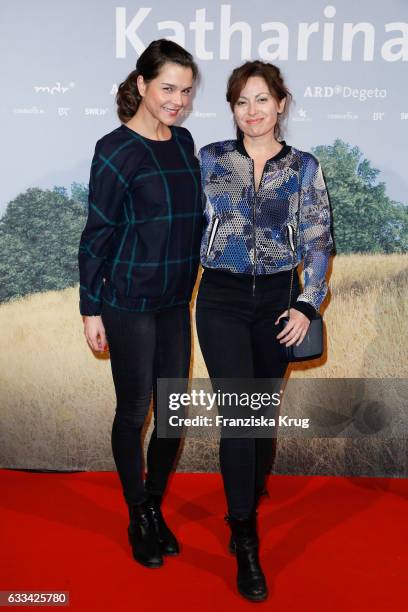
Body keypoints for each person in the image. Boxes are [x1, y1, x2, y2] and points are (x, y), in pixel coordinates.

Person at [196, 60, 333, 601]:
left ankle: (250, 493)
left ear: (281, 103)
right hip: (221, 300)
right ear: (232, 109)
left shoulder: (303, 167)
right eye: (240, 102)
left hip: (279, 301)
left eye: (261, 100)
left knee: (260, 414)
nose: (251, 112)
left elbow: (319, 240)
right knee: (239, 414)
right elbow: (180, 223)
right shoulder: (208, 160)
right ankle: (244, 537)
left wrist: (306, 302)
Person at [78, 39, 202, 569]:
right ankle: (138, 514)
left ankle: (153, 506)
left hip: (176, 302)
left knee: (172, 415)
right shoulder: (114, 148)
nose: (177, 100)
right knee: (134, 412)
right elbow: (96, 234)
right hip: (127, 301)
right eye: (168, 88)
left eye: (186, 91)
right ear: (143, 84)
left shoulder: (184, 141)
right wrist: (90, 309)